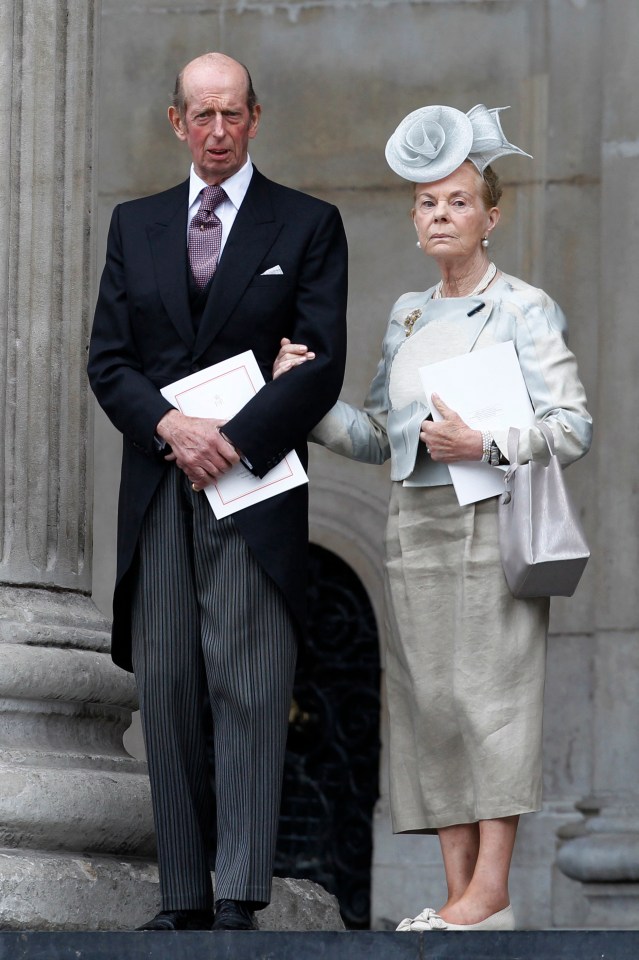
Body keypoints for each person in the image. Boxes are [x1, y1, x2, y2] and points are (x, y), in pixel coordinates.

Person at [273, 103, 592, 931]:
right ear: (413, 218)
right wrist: (300, 395)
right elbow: (378, 435)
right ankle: (461, 899)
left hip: (491, 523)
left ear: (491, 215)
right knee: (429, 705)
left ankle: (492, 889)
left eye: (457, 201)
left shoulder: (524, 306)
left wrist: (481, 440)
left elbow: (572, 429)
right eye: (426, 202)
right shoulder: (408, 313)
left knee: (491, 700)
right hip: (413, 527)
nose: (439, 215)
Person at [87, 52, 347, 931]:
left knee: (248, 680)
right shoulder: (135, 225)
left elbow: (317, 364)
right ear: (175, 121)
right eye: (201, 115)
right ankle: (182, 894)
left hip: (252, 486)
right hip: (160, 484)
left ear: (255, 118)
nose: (217, 131)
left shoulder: (307, 224)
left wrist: (230, 441)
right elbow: (109, 363)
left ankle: (238, 893)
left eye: (232, 114)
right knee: (164, 685)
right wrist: (173, 429)